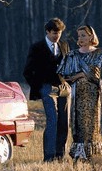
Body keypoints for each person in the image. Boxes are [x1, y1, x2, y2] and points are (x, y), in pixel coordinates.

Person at [57, 25, 102, 161]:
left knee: (93, 125)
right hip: (78, 94)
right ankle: (78, 155)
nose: (81, 38)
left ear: (91, 36)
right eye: (79, 36)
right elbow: (62, 74)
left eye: (83, 35)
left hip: (94, 94)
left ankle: (92, 155)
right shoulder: (73, 55)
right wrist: (76, 77)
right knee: (78, 124)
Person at [23, 18, 71, 162]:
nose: (57, 36)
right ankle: (49, 156)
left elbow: (68, 66)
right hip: (46, 88)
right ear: (47, 31)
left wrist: (68, 82)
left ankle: (60, 155)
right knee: (53, 120)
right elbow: (27, 71)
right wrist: (38, 87)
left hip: (63, 87)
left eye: (60, 33)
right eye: (55, 33)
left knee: (64, 121)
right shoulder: (37, 47)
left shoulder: (64, 45)